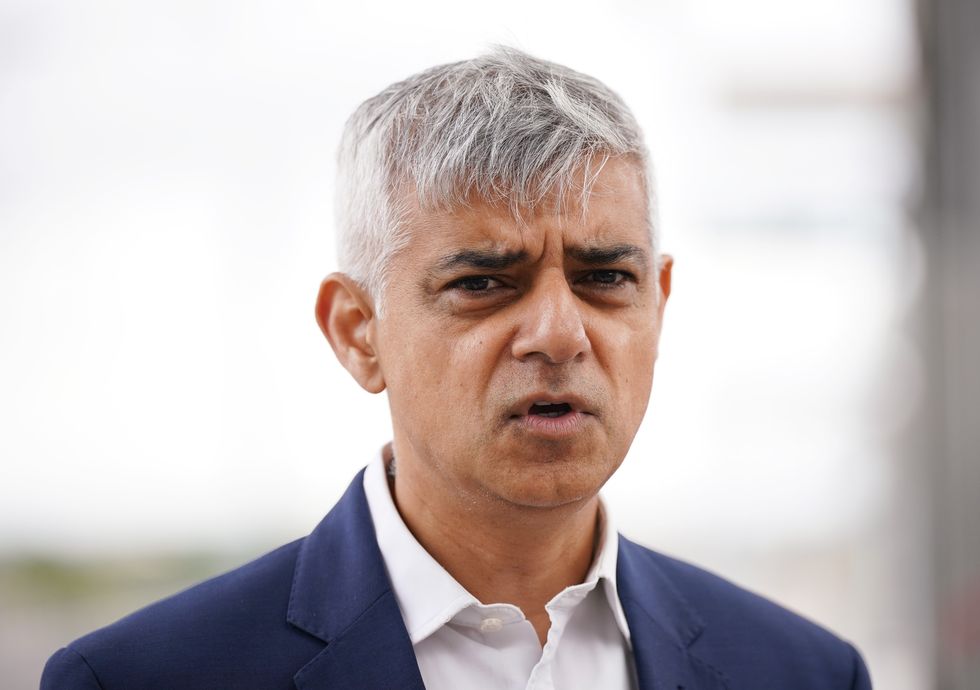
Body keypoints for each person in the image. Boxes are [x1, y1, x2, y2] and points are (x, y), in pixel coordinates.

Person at [41, 47, 872, 689]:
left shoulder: (801, 672)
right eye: (482, 283)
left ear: (658, 301)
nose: (558, 333)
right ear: (358, 331)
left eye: (605, 279)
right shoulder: (142, 678)